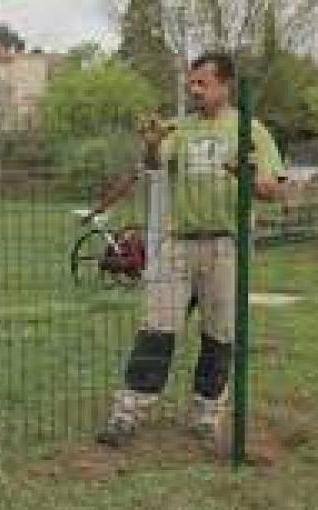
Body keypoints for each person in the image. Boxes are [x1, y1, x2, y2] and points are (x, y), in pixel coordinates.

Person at [89, 52, 286, 447]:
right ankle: (127, 412)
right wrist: (150, 145)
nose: (194, 90)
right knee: (156, 327)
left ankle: (206, 414)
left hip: (226, 247)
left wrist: (243, 172)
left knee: (219, 334)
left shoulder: (252, 131)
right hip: (177, 245)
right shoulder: (180, 128)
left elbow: (274, 190)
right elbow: (153, 167)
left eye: (203, 83)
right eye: (191, 83)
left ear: (225, 85)